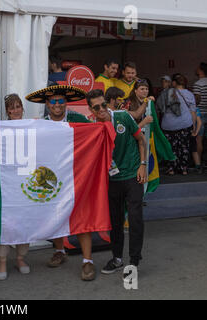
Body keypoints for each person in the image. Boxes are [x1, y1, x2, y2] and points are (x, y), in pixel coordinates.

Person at [26, 84, 96, 281]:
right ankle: (60, 251)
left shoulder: (78, 119)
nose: (58, 104)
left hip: (77, 175)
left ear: (66, 103)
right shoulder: (40, 124)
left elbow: (95, 136)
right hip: (53, 178)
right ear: (47, 104)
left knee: (82, 215)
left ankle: (87, 261)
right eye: (53, 101)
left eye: (61, 101)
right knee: (55, 214)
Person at [85, 89, 147, 275]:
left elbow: (141, 139)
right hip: (111, 179)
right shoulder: (92, 126)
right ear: (91, 109)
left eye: (104, 104)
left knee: (135, 218)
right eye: (97, 107)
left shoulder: (123, 117)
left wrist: (143, 164)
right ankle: (117, 258)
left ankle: (134, 262)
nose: (102, 109)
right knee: (116, 220)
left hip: (133, 174)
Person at [0, 93, 29, 281]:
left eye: (18, 106)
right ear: (7, 110)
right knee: (6, 223)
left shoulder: (33, 126)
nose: (15, 110)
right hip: (6, 182)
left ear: (23, 108)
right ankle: (2, 260)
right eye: (11, 107)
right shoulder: (0, 127)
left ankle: (21, 258)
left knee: (24, 221)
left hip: (25, 182)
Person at [157, 74, 197, 176]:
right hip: (185, 124)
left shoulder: (166, 93)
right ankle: (183, 168)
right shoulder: (190, 94)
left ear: (174, 83)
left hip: (168, 125)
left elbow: (159, 108)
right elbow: (193, 112)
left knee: (170, 147)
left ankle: (171, 168)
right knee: (184, 147)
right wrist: (194, 126)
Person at [192, 62, 207, 167]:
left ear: (201, 70)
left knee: (199, 139)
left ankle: (199, 162)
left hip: (200, 114)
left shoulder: (198, 84)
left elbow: (197, 100)